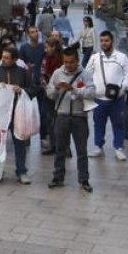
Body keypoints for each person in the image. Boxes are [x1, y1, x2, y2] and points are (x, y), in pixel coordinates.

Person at [0, 46, 39, 185]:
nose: (3, 60)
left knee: (19, 142)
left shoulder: (23, 73)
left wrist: (21, 90)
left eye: (7, 58)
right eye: (2, 57)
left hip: (18, 112)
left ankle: (21, 171)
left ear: (15, 59)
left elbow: (34, 89)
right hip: (0, 113)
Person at [46, 45, 95, 192]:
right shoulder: (57, 73)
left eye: (71, 62)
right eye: (66, 62)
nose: (68, 65)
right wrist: (56, 88)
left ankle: (84, 179)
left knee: (81, 150)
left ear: (77, 60)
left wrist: (74, 90)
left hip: (80, 117)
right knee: (60, 149)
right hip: (62, 115)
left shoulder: (85, 74)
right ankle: (57, 177)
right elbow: (49, 94)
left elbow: (91, 92)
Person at [88, 30, 128, 161]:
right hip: (99, 98)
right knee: (98, 123)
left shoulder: (122, 57)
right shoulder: (95, 58)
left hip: (117, 99)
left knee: (118, 124)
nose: (104, 43)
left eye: (106, 40)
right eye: (102, 41)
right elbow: (87, 74)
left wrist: (123, 89)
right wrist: (91, 89)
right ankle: (98, 146)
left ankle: (119, 148)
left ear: (112, 41)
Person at [19, 27, 50, 154]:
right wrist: (26, 68)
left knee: (44, 113)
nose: (35, 34)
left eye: (36, 31)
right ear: (28, 34)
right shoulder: (24, 48)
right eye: (32, 32)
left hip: (41, 83)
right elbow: (20, 64)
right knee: (27, 112)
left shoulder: (43, 47)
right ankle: (26, 136)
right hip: (28, 84)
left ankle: (44, 138)